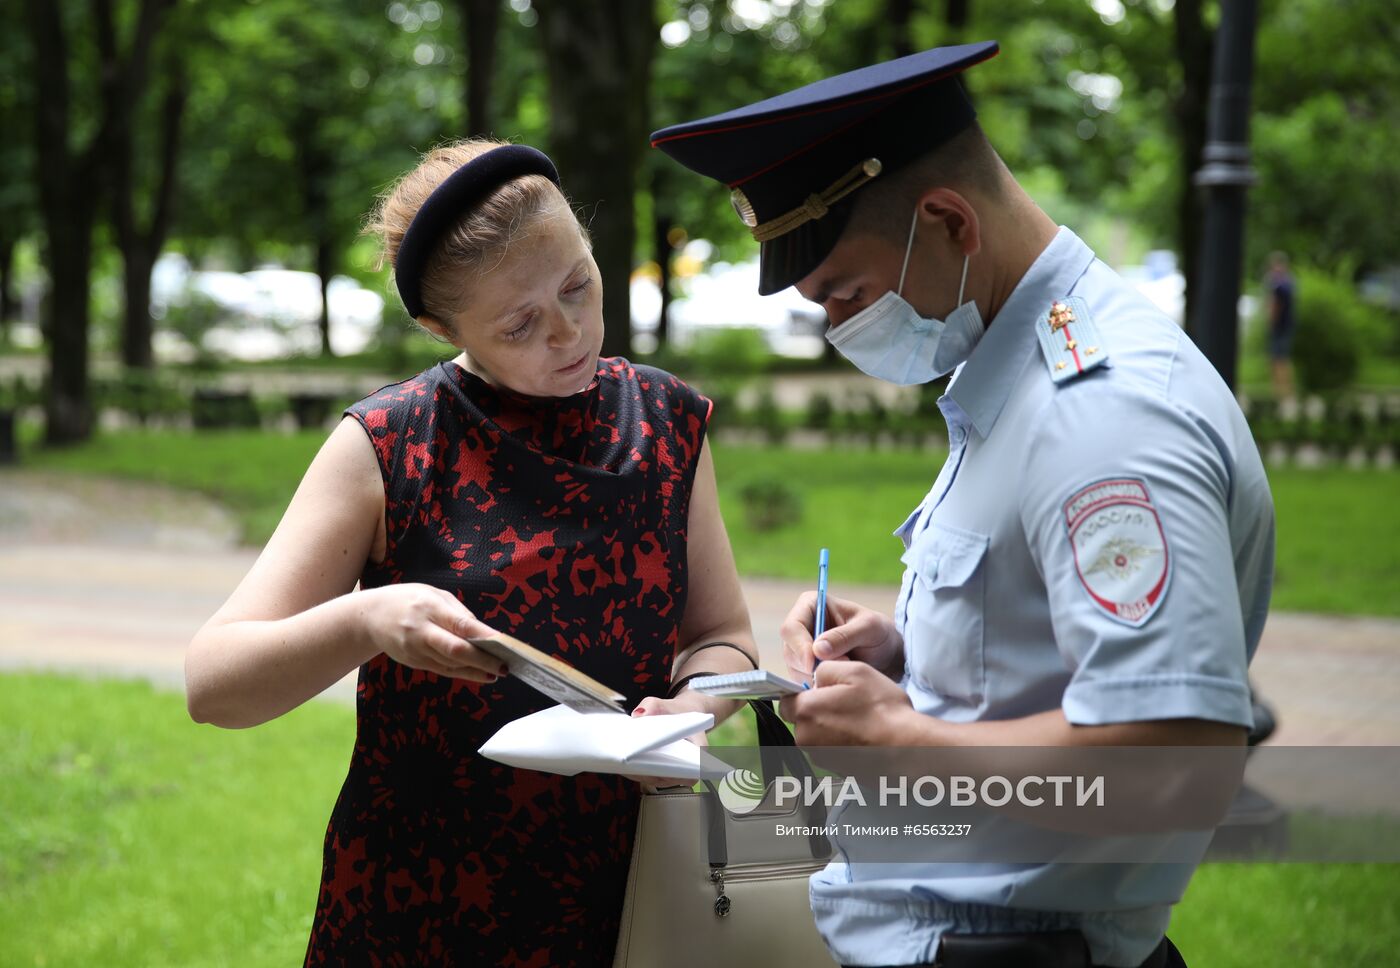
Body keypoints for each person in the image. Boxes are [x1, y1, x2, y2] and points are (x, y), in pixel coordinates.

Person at [652, 42, 1274, 968]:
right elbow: (1053, 665)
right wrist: (910, 661)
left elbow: (1172, 759)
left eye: (846, 294)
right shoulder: (1020, 374)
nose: (837, 329)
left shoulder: (1102, 415)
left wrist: (902, 739)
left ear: (947, 221)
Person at [184, 139, 759, 966]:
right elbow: (214, 685)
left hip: (631, 891)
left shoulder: (669, 422)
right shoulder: (387, 442)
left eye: (579, 285)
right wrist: (367, 619)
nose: (567, 333)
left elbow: (722, 635)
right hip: (423, 904)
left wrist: (696, 704)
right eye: (520, 323)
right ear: (439, 327)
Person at [1265, 251, 1297, 401]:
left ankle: (1281, 391)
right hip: (1287, 325)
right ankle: (1285, 390)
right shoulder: (1290, 282)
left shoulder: (1278, 286)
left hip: (1279, 326)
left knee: (1278, 359)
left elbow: (1275, 306)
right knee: (1283, 358)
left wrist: (1271, 320)